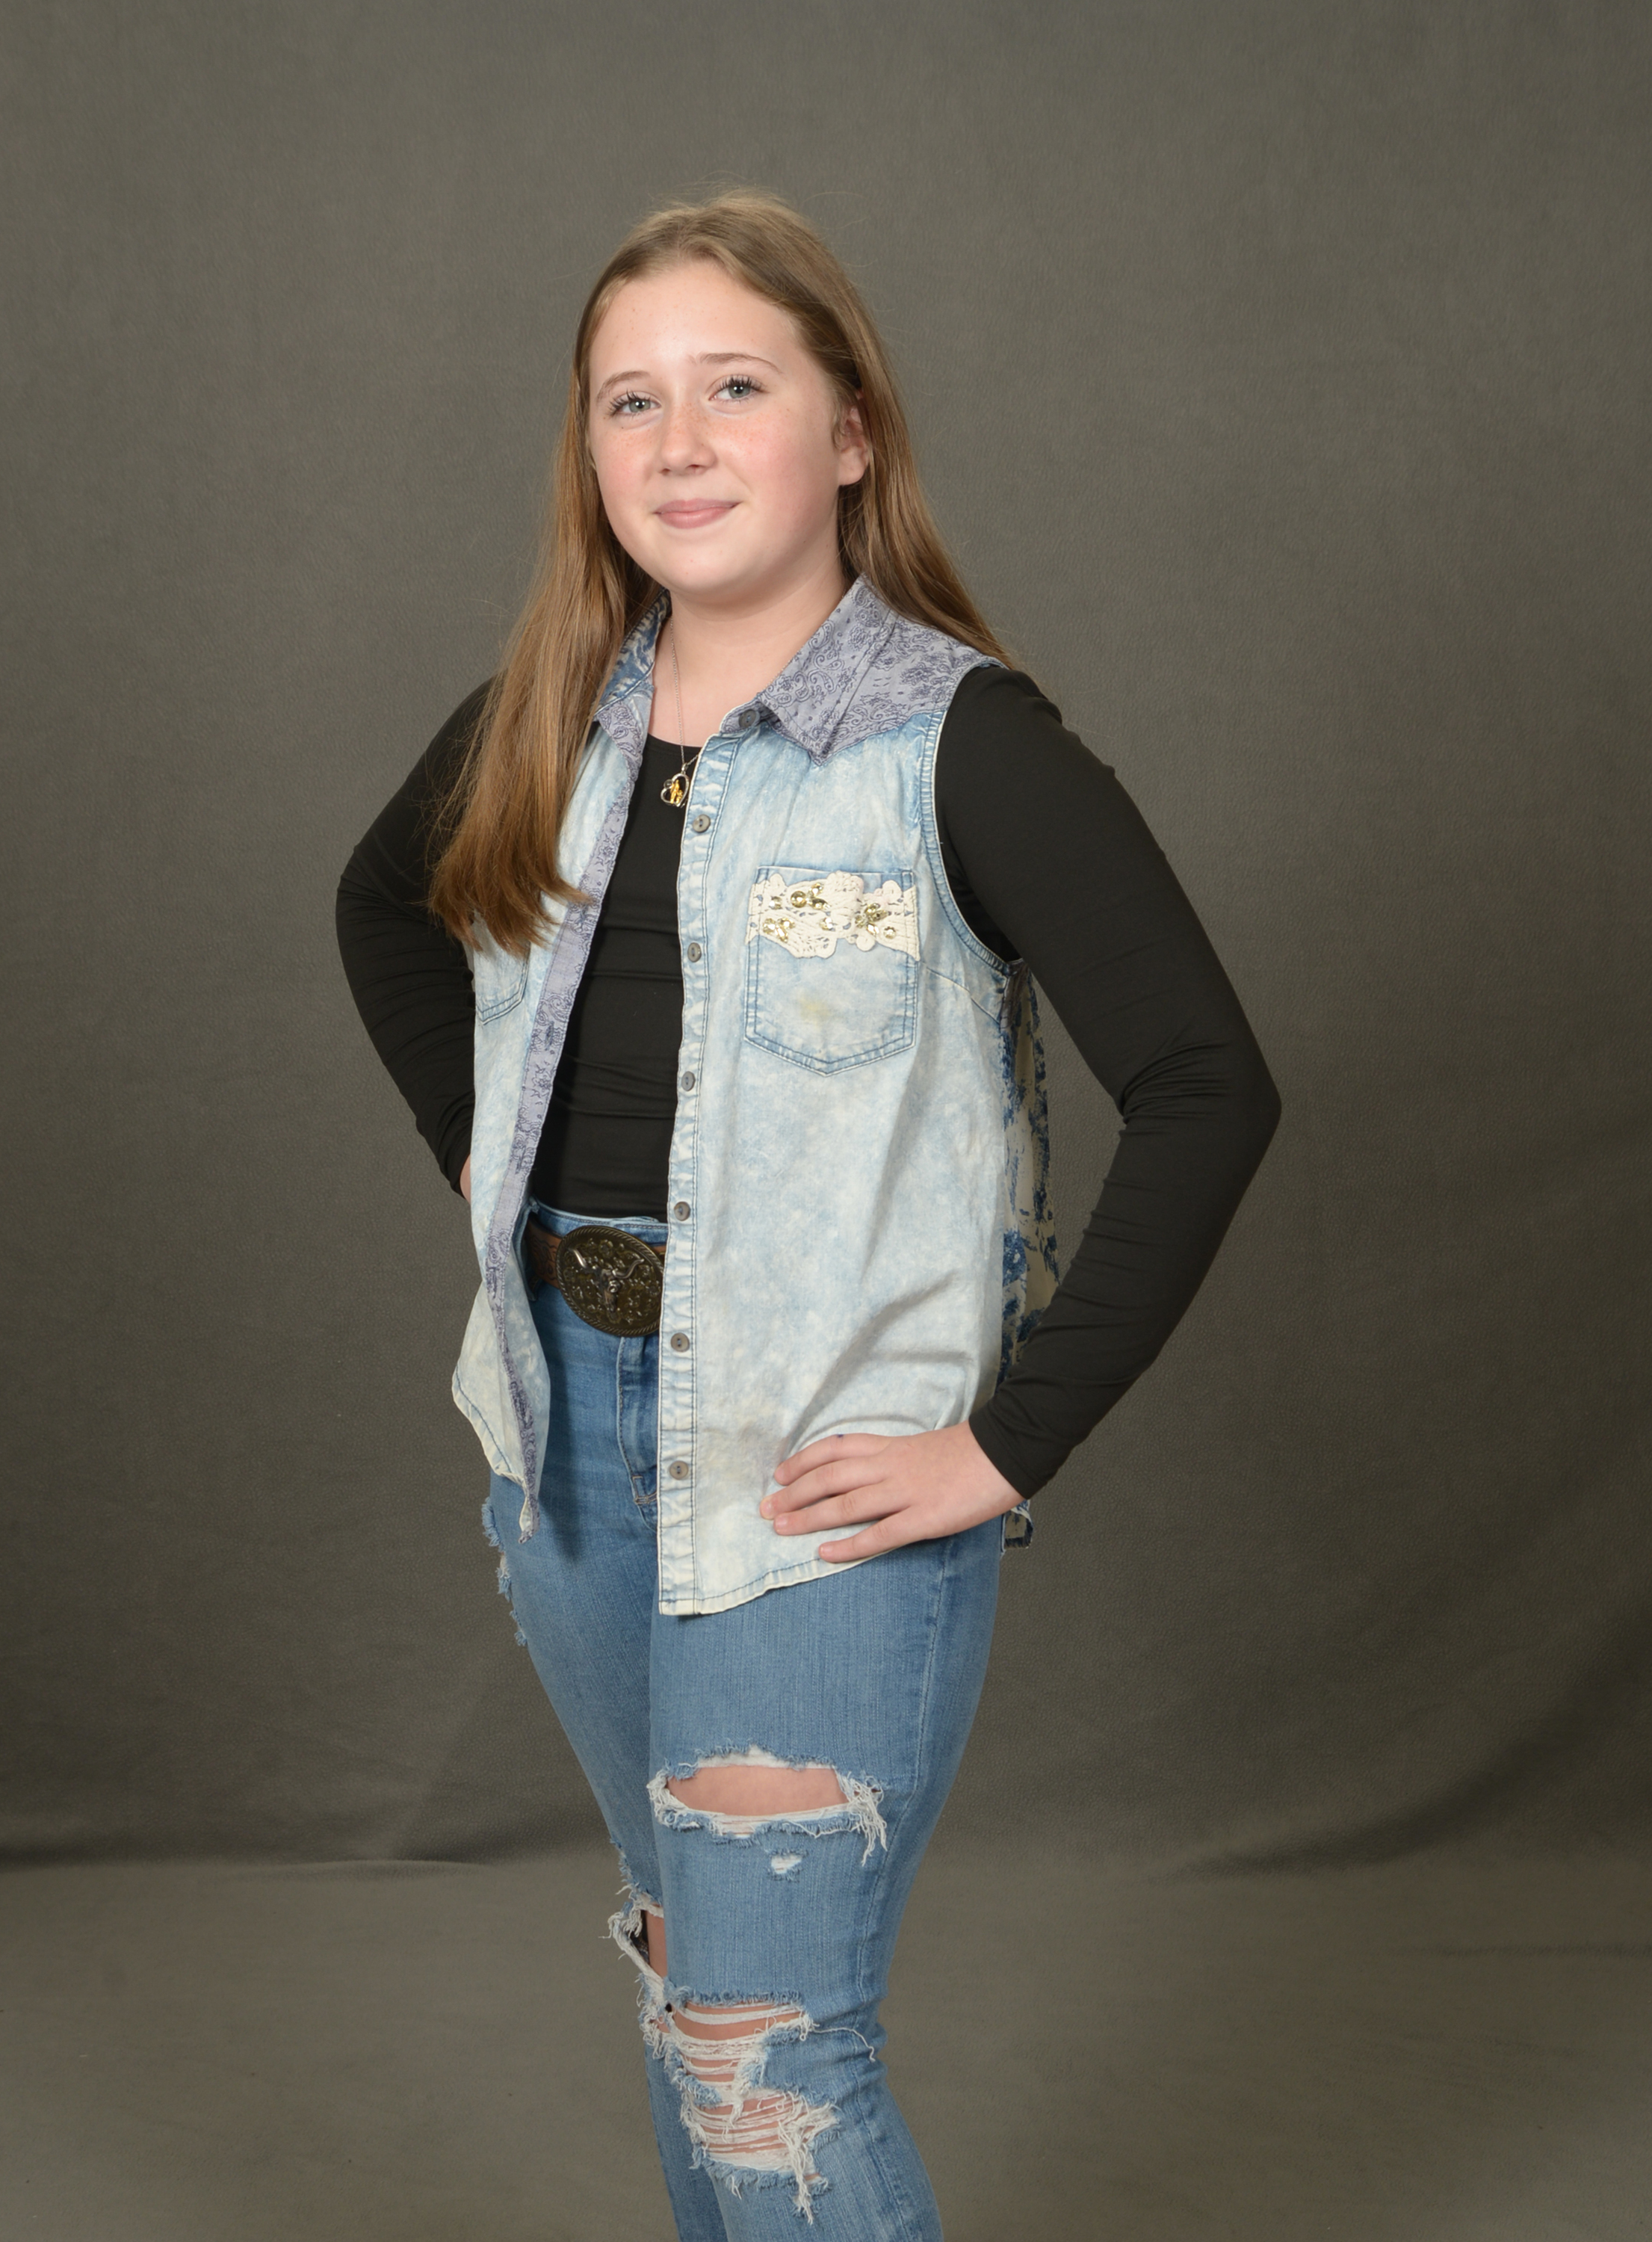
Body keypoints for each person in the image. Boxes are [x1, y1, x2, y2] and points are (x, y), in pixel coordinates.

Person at [335, 191, 1279, 2239]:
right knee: (700, 1987)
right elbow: (381, 911)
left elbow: (1211, 1086)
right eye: (630, 402)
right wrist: (494, 1177)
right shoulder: (552, 716)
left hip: (814, 1475)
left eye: (735, 389)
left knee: (771, 2047)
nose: (678, 444)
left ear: (850, 432)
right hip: (566, 1446)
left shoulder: (959, 743)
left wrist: (1004, 1443)